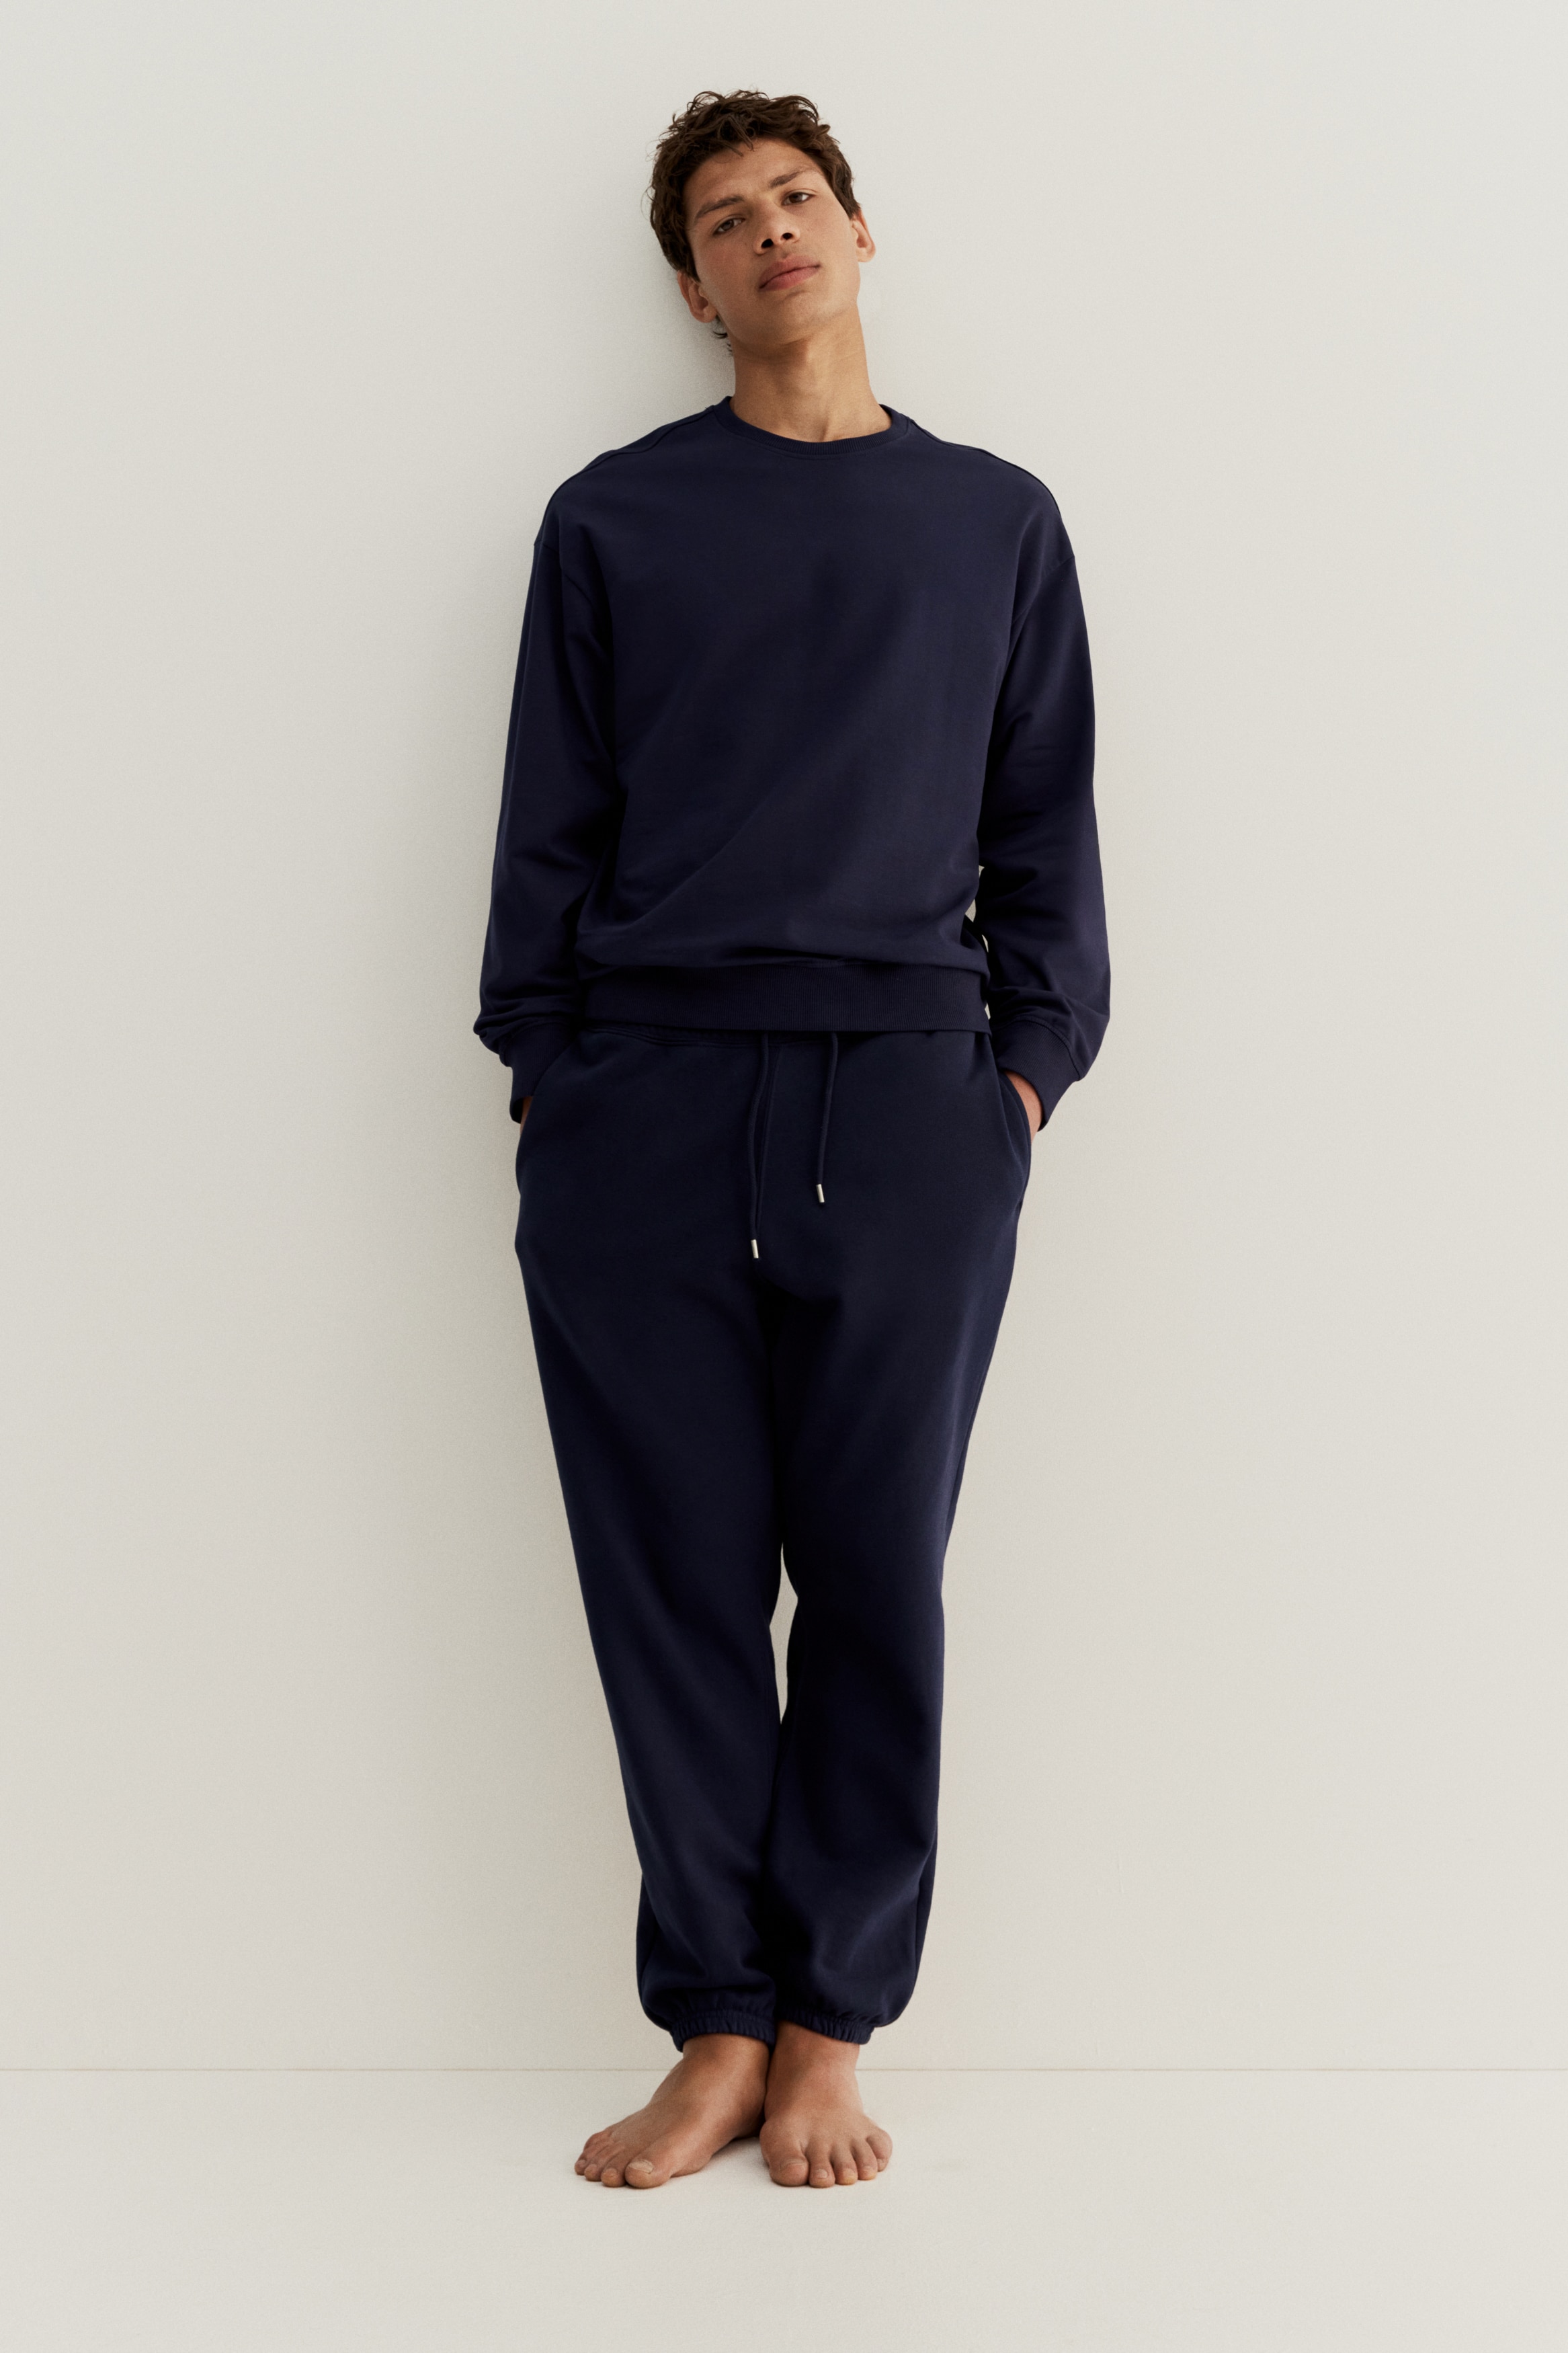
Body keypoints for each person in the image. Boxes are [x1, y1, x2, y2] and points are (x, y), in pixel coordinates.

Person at [476, 88, 1109, 2190]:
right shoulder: (615, 520)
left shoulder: (993, 519)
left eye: (797, 198)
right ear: (693, 286)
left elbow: (1045, 829)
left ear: (857, 230)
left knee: (873, 1577)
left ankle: (833, 2022)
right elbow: (547, 829)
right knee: (667, 1582)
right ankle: (719, 2025)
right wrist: (554, 1080)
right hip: (645, 1099)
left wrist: (1020, 1074)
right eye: (727, 221)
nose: (771, 234)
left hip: (911, 1098)